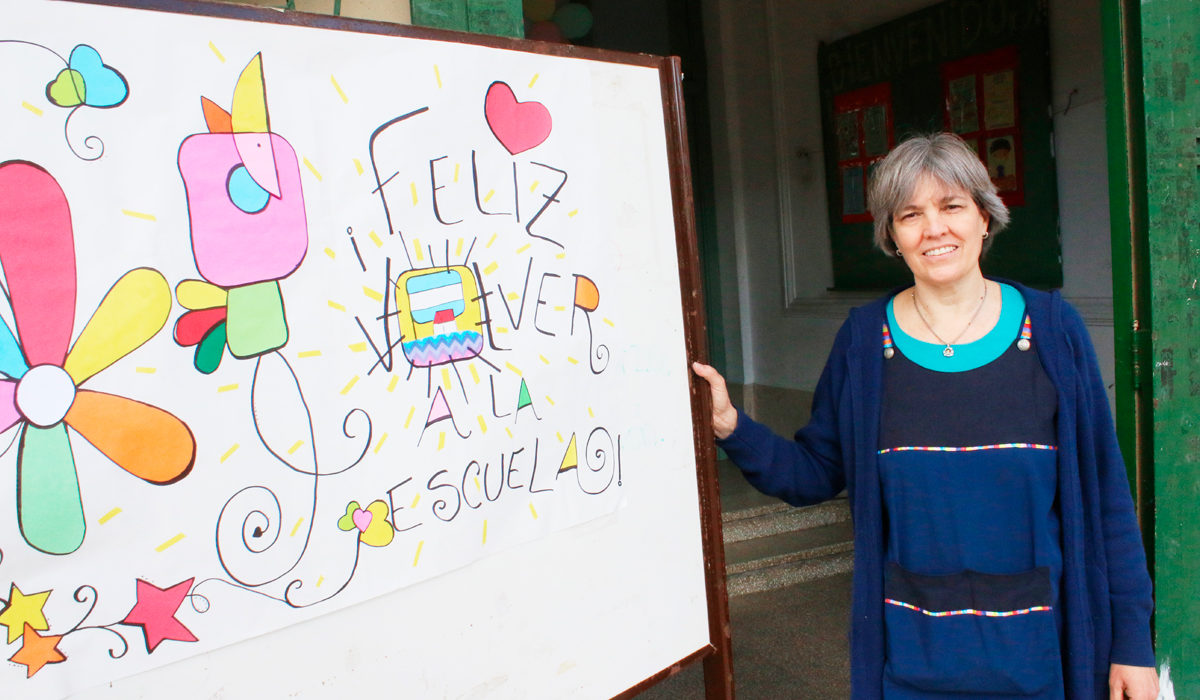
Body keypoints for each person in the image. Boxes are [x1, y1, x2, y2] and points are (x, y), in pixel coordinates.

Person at [692, 133, 1158, 700]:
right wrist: (731, 426)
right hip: (912, 660)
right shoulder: (866, 343)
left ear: (985, 218)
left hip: (1044, 656)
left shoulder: (1053, 333)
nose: (934, 229)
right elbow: (815, 471)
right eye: (910, 214)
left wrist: (1132, 643)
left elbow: (1107, 497)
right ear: (892, 235)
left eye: (952, 206)